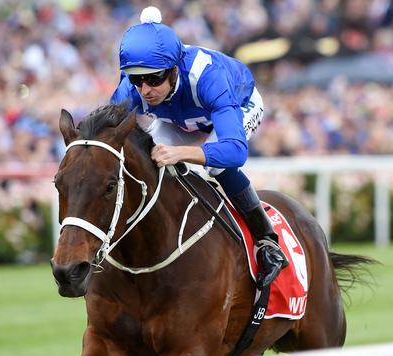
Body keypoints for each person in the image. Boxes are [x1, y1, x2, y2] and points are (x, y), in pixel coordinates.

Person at [110, 6, 288, 289]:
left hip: (239, 104)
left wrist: (182, 153)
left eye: (154, 78)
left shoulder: (208, 76)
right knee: (149, 162)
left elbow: (235, 151)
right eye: (136, 79)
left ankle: (267, 242)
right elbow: (107, 134)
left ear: (173, 69)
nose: (144, 90)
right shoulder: (133, 88)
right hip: (181, 119)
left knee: (216, 164)